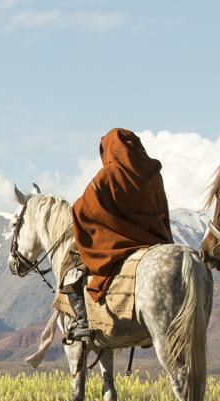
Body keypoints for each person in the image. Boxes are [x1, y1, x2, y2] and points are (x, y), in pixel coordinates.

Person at [63, 127, 174, 341]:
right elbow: (163, 210)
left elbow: (82, 209)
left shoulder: (109, 175)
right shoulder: (154, 174)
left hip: (119, 242)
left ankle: (83, 323)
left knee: (73, 274)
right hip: (155, 239)